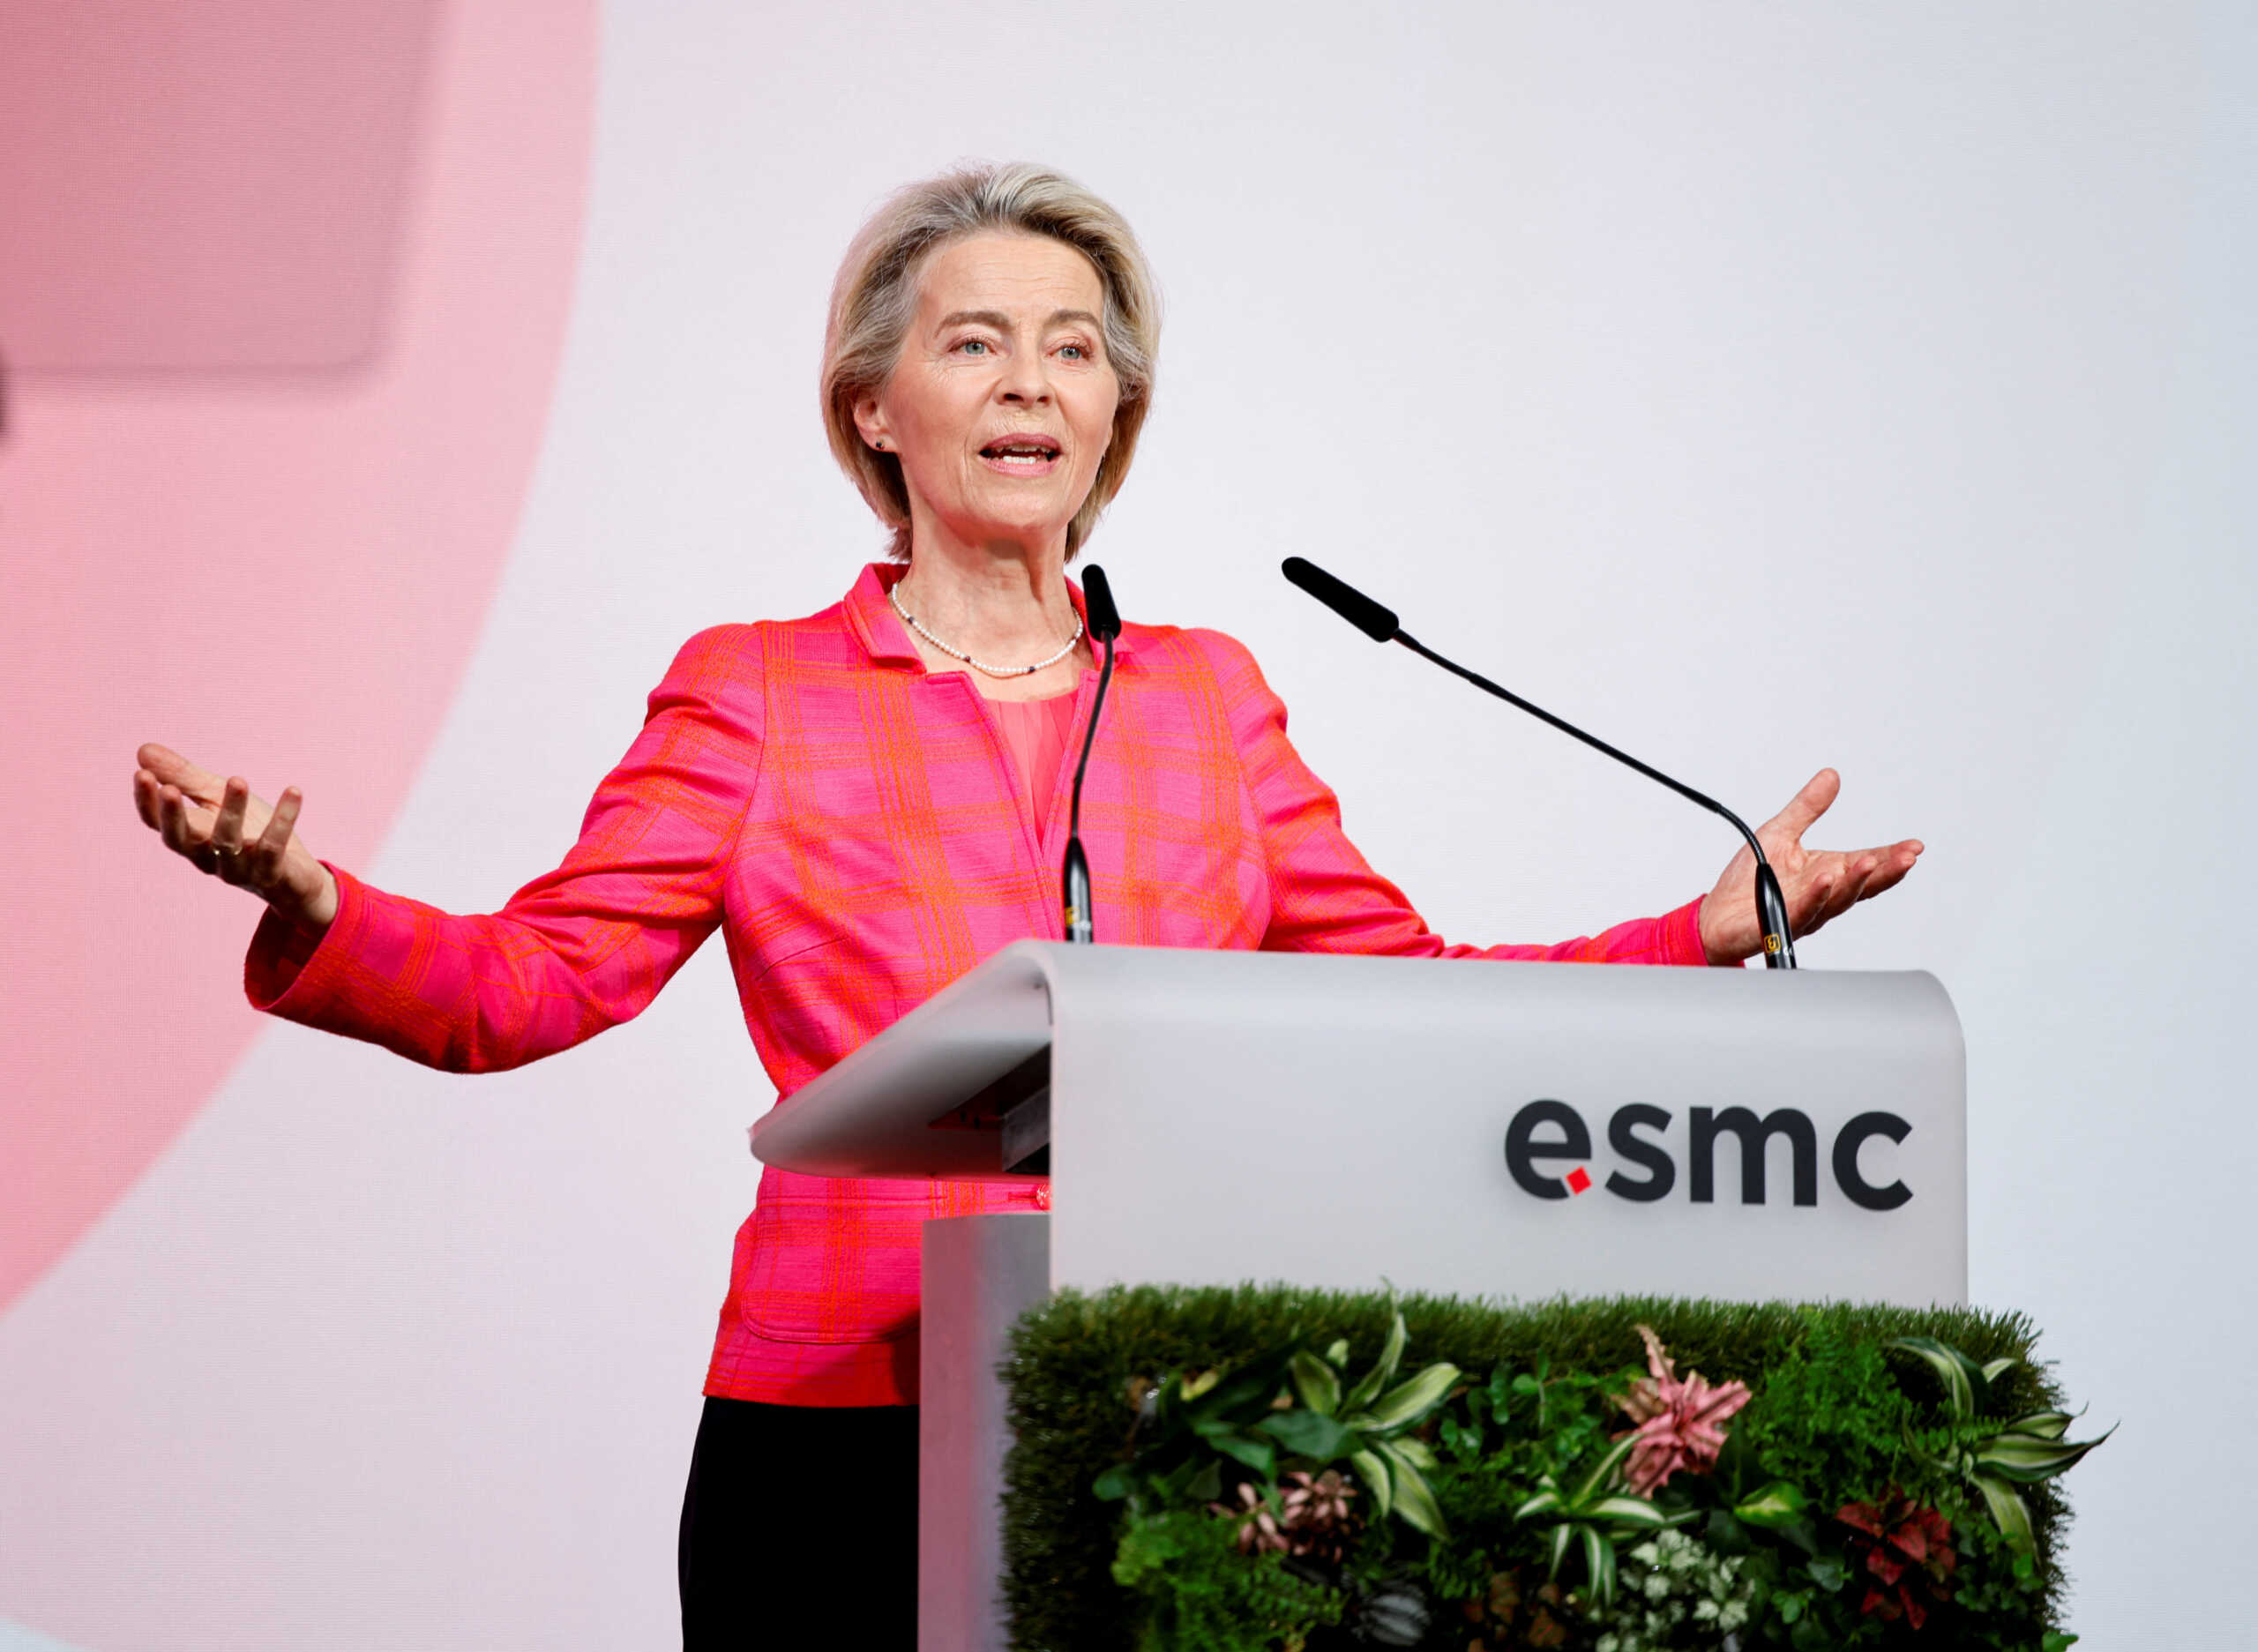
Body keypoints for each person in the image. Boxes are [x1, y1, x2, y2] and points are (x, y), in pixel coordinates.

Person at [129, 162, 1921, 1648]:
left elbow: (1406, 997)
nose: (1029, 384)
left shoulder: (1205, 698)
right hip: (839, 1430)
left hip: (1177, 1415)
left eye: (1073, 351)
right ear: (872, 409)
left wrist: (1688, 936)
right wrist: (319, 899)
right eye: (972, 343)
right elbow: (535, 981)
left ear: (1112, 418)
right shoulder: (755, 688)